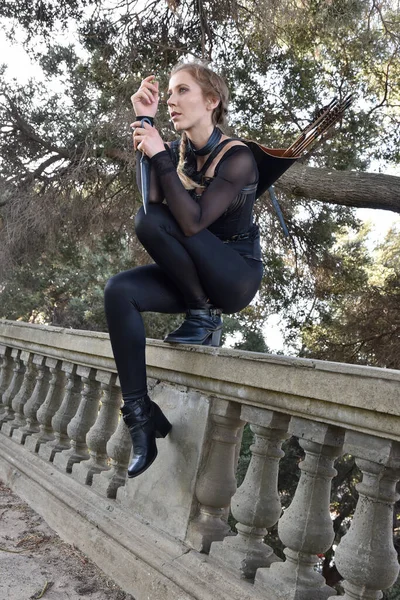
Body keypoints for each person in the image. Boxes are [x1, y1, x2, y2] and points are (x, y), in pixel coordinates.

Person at [104, 62, 263, 479]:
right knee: (119, 290)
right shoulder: (180, 153)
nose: (171, 101)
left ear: (212, 101)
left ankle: (203, 313)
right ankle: (141, 416)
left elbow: (191, 223)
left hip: (234, 275)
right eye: (169, 93)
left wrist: (158, 152)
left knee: (151, 221)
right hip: (194, 277)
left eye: (182, 91)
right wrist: (144, 121)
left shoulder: (238, 157)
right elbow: (152, 203)